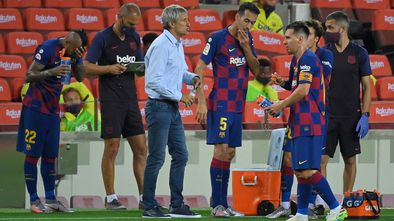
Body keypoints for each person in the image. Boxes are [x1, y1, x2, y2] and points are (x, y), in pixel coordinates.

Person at [265, 21, 347, 221]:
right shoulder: (298, 60)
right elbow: (295, 86)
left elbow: (303, 90)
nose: (284, 41)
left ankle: (336, 207)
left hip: (310, 121)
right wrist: (282, 88)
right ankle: (302, 213)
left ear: (300, 39)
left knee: (309, 169)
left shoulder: (309, 59)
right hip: (298, 121)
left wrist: (280, 105)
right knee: (300, 170)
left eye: (287, 37)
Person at [194, 2, 260, 217]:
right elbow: (199, 68)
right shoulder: (217, 38)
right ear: (237, 17)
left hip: (237, 106)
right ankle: (218, 205)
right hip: (220, 103)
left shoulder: (247, 39)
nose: (249, 25)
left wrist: (247, 48)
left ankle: (222, 203)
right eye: (246, 20)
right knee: (221, 150)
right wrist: (201, 101)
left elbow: (257, 70)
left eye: (253, 22)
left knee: (230, 152)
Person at [84, 3, 147, 210]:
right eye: (129, 24)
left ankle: (144, 196)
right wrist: (109, 68)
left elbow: (139, 68)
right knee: (112, 147)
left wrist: (140, 68)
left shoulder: (134, 38)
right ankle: (111, 197)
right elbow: (86, 67)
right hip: (110, 99)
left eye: (135, 25)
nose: (132, 28)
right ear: (118, 16)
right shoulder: (102, 38)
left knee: (141, 148)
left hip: (130, 98)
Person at [16, 30, 87, 213]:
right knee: (32, 155)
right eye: (75, 51)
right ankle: (33, 200)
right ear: (68, 44)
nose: (75, 53)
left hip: (53, 110)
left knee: (50, 156)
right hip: (35, 108)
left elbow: (80, 78)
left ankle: (51, 199)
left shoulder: (73, 53)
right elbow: (29, 75)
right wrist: (52, 71)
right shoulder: (48, 48)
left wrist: (78, 59)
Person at [142, 4, 203, 218]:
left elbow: (175, 72)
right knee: (157, 158)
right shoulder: (161, 45)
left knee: (181, 155)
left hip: (170, 108)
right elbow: (154, 81)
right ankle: (148, 205)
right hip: (159, 107)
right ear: (171, 23)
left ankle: (176, 204)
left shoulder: (177, 43)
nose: (189, 23)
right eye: (184, 20)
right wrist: (180, 95)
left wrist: (190, 77)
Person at [321, 11, 371, 195]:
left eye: (330, 27)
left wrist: (365, 115)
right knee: (321, 161)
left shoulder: (360, 53)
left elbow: (367, 86)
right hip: (327, 115)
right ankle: (323, 202)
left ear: (342, 29)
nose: (327, 31)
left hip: (351, 116)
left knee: (350, 160)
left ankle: (347, 200)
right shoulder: (324, 52)